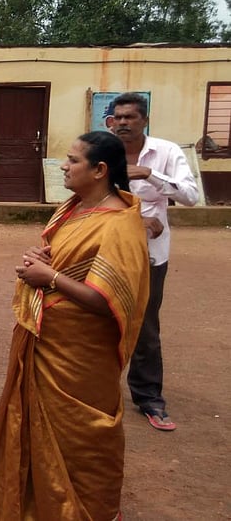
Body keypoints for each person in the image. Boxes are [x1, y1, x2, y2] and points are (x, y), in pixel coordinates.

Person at [0, 131, 150, 520]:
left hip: (79, 361)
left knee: (81, 441)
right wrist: (41, 260)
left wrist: (48, 278)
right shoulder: (76, 208)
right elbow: (61, 259)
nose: (64, 166)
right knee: (33, 433)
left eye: (73, 160)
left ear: (100, 170)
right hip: (48, 341)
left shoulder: (119, 224)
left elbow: (108, 300)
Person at [111, 92, 198, 432]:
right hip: (108, 253)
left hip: (149, 257)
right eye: (117, 117)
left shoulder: (166, 153)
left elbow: (190, 197)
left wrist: (150, 175)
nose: (122, 123)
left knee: (145, 326)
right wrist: (135, 220)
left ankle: (148, 397)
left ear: (144, 120)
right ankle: (94, 391)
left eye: (130, 117)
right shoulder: (104, 151)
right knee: (96, 321)